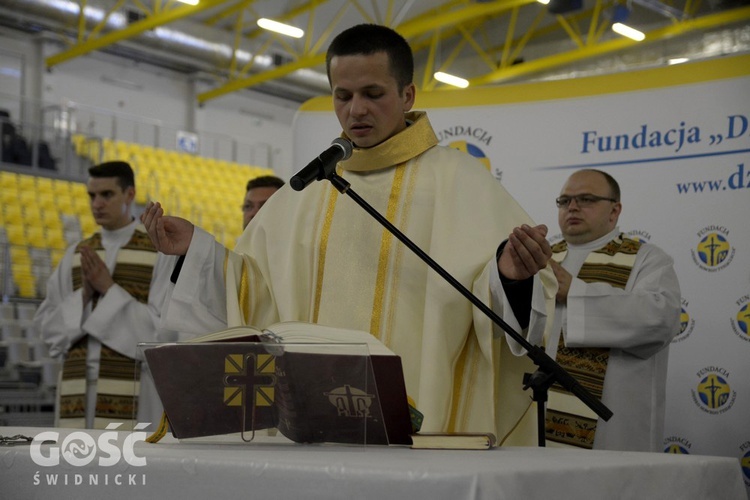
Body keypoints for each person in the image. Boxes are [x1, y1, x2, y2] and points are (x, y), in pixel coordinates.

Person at [142, 24, 557, 444]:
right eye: (343, 96)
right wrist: (196, 251)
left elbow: (505, 304)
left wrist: (510, 278)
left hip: (423, 425)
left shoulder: (461, 181)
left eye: (373, 94)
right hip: (313, 423)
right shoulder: (306, 190)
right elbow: (253, 292)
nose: (356, 109)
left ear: (407, 96)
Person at [34, 161, 181, 430]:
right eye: (92, 195)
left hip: (136, 387)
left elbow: (164, 334)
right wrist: (83, 297)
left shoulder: (159, 251)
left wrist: (109, 289)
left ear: (130, 194)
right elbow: (47, 330)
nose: (97, 204)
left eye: (107, 195)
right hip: (76, 388)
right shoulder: (75, 255)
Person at [545, 169, 681, 451]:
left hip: (612, 430)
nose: (573, 207)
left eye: (586, 199)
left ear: (615, 210)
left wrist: (576, 292)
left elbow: (659, 319)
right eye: (565, 200)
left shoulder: (647, 259)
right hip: (538, 417)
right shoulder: (542, 258)